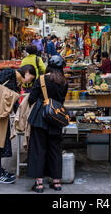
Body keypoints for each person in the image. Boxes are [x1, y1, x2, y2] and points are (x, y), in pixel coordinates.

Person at [0, 64, 36, 184]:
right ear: (27, 73)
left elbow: (14, 103)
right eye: (30, 78)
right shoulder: (10, 73)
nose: (28, 82)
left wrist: (21, 116)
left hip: (2, 116)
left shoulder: (17, 82)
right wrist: (6, 94)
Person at [27, 55, 68, 193]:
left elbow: (31, 99)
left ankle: (39, 184)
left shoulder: (41, 79)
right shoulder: (64, 82)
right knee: (55, 149)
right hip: (55, 118)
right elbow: (61, 100)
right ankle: (56, 182)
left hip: (40, 117)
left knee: (39, 149)